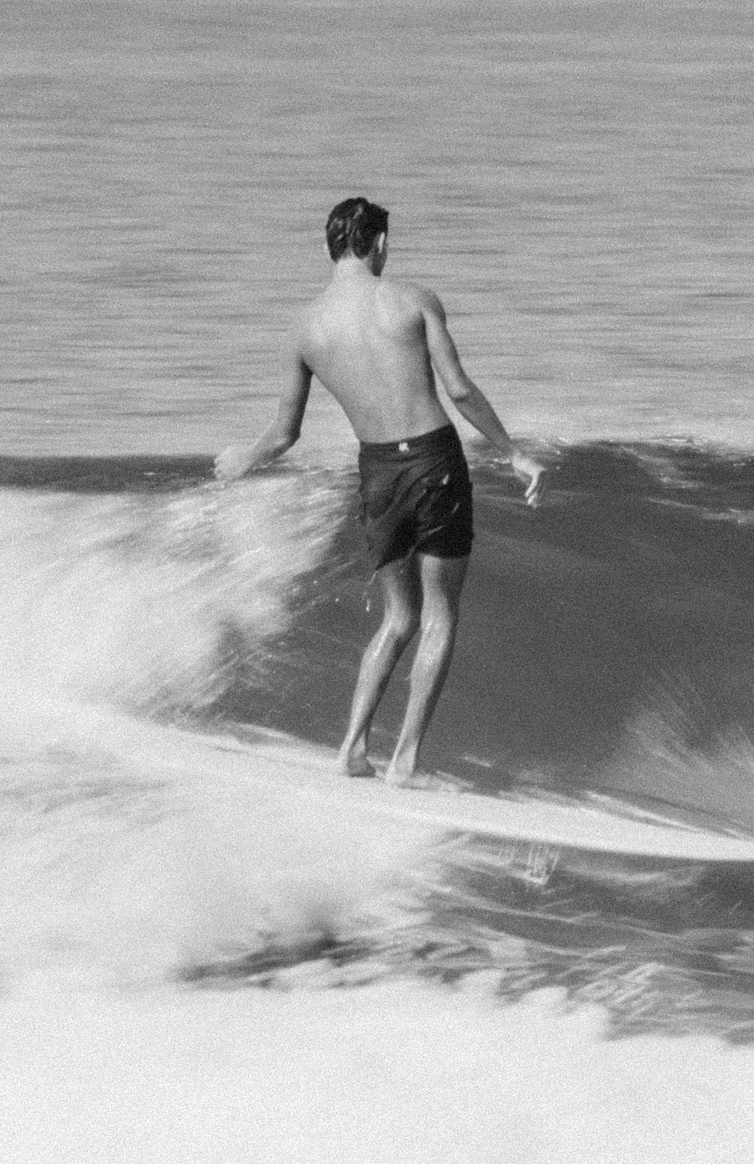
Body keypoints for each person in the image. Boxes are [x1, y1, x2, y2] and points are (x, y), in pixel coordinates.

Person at [219, 197, 542, 786]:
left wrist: (245, 458)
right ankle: (407, 761)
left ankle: (351, 748)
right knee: (440, 616)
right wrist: (513, 452)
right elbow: (460, 391)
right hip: (434, 461)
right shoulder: (413, 301)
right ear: (381, 244)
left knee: (398, 618)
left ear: (330, 248)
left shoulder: (304, 328)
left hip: (377, 473)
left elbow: (285, 434)